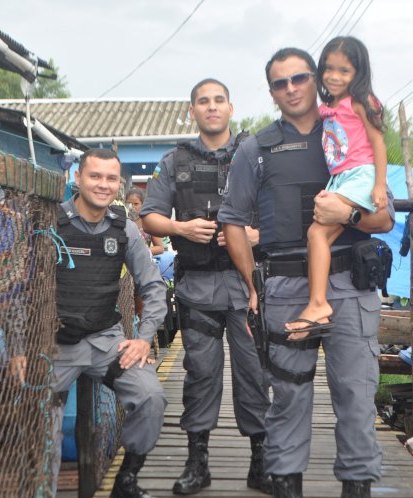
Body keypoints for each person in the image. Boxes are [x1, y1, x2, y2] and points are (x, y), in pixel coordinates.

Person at [219, 48, 394, 498]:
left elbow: (385, 218)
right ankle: (285, 485)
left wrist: (348, 216)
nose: (291, 88)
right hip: (284, 288)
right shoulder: (254, 149)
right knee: (289, 395)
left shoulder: (347, 130)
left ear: (316, 78)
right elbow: (232, 221)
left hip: (350, 287)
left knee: (356, 396)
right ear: (272, 91)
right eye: (280, 83)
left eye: (299, 78)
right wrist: (250, 288)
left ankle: (358, 487)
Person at [140, 78, 272, 495]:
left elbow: (284, 213)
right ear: (192, 110)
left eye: (219, 100)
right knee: (200, 374)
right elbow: (150, 217)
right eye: (203, 102)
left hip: (248, 282)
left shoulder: (257, 155)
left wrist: (254, 234)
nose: (211, 107)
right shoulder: (173, 161)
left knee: (255, 370)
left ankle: (260, 462)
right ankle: (197, 463)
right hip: (198, 286)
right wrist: (180, 226)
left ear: (231, 108)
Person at [11, 148, 168, 498]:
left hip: (106, 342)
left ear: (119, 183)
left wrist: (143, 338)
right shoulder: (50, 224)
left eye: (111, 178)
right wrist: (18, 347)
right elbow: (20, 287)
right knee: (41, 424)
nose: (103, 184)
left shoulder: (124, 229)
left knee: (150, 397)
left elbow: (154, 288)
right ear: (77, 178)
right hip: (53, 344)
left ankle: (126, 480)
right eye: (94, 176)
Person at [285, 36, 388, 339]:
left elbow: (378, 143)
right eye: (329, 69)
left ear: (358, 73)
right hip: (341, 178)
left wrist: (380, 184)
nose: (334, 76)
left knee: (317, 232)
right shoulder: (329, 105)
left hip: (360, 175)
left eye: (344, 71)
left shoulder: (362, 101)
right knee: (319, 235)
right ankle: (317, 304)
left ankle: (318, 304)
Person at [126, 187, 165, 256]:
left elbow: (160, 248)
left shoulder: (149, 222)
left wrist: (140, 252)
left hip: (142, 263)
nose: (132, 207)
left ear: (143, 204)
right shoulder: (121, 221)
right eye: (128, 203)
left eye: (136, 204)